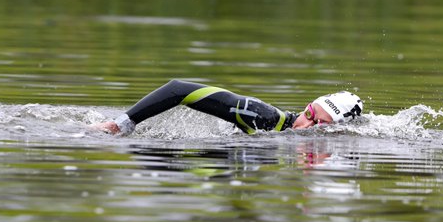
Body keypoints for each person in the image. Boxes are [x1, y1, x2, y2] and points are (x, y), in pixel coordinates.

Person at [93, 79, 363, 135]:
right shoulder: (265, 119)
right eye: (310, 114)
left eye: (320, 126)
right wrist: (122, 123)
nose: (306, 125)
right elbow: (178, 88)